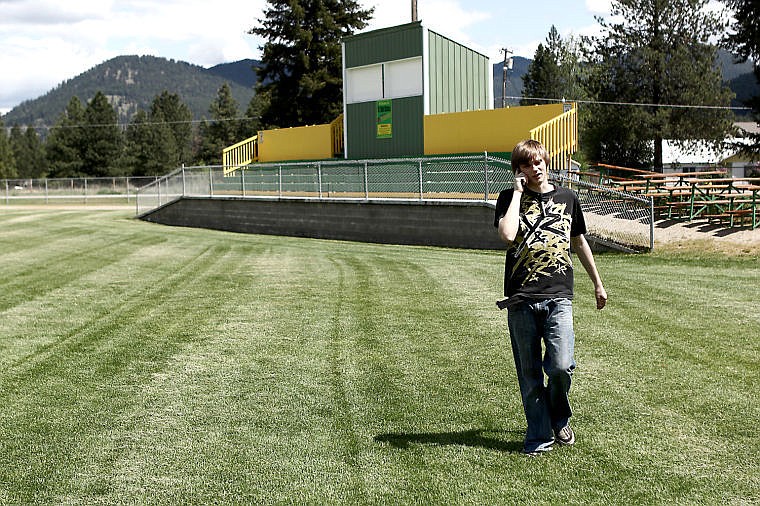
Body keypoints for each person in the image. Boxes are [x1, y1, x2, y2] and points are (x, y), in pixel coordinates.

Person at [494, 139, 607, 456]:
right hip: (521, 299)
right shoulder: (508, 198)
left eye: (539, 161)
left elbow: (579, 242)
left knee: (560, 365)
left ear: (546, 161)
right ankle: (539, 436)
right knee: (529, 375)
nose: (536, 167)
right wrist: (517, 193)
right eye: (528, 164)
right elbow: (506, 235)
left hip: (558, 295)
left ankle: (559, 416)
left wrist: (597, 283)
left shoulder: (568, 198)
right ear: (519, 170)